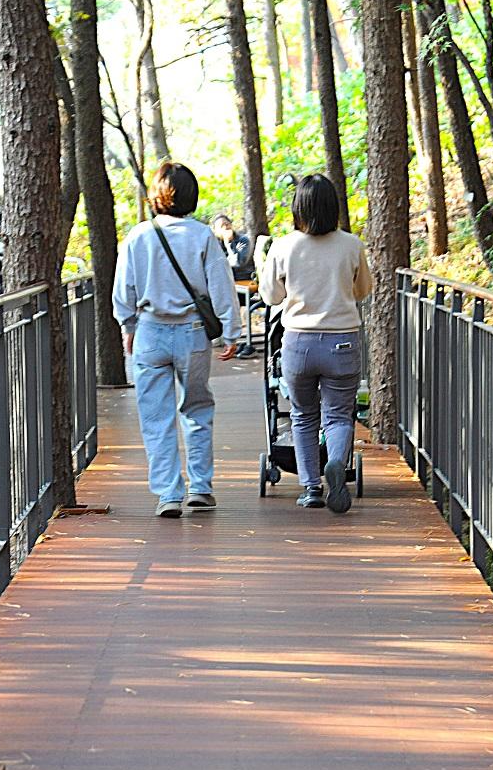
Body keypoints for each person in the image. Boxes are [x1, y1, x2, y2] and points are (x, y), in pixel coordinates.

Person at [113, 162, 242, 518]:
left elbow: (123, 291)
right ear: (191, 197)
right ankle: (200, 487)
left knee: (156, 417)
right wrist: (231, 332)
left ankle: (169, 493)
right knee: (197, 408)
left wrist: (128, 327)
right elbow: (220, 287)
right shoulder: (202, 236)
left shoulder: (138, 236)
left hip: (150, 331)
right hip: (192, 333)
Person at [258, 174, 371, 514]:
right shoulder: (351, 245)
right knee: (338, 415)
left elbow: (271, 295)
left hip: (299, 344)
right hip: (342, 342)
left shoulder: (283, 246)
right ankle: (335, 461)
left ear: (299, 208)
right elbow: (363, 289)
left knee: (303, 416)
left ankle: (311, 488)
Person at [210, 214, 254, 280]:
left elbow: (238, 263)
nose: (225, 227)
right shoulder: (214, 245)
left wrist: (229, 243)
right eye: (221, 226)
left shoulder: (243, 240)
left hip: (243, 278)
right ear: (215, 231)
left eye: (227, 224)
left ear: (231, 225)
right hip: (224, 280)